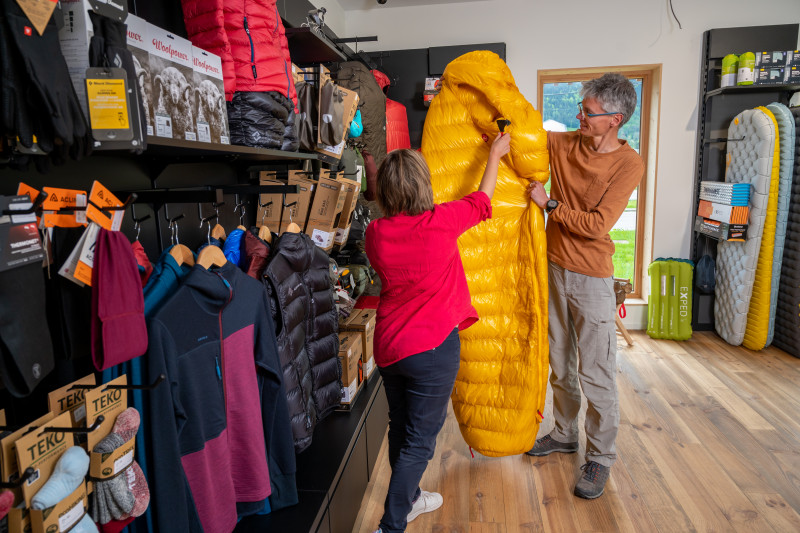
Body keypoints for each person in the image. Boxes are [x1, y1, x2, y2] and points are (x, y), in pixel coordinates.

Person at [365, 133, 511, 533]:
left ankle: (409, 500)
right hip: (431, 349)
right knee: (419, 442)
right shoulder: (441, 223)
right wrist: (495, 153)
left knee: (400, 426)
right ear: (423, 185)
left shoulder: (375, 234)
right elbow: (483, 200)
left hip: (390, 348)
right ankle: (391, 526)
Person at [526, 73, 644, 499]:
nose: (580, 117)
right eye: (581, 109)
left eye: (588, 112)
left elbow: (597, 226)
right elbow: (526, 135)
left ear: (615, 119)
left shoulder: (629, 164)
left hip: (592, 276)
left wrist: (551, 205)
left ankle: (600, 458)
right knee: (560, 359)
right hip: (553, 266)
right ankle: (564, 433)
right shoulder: (566, 143)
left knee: (595, 372)